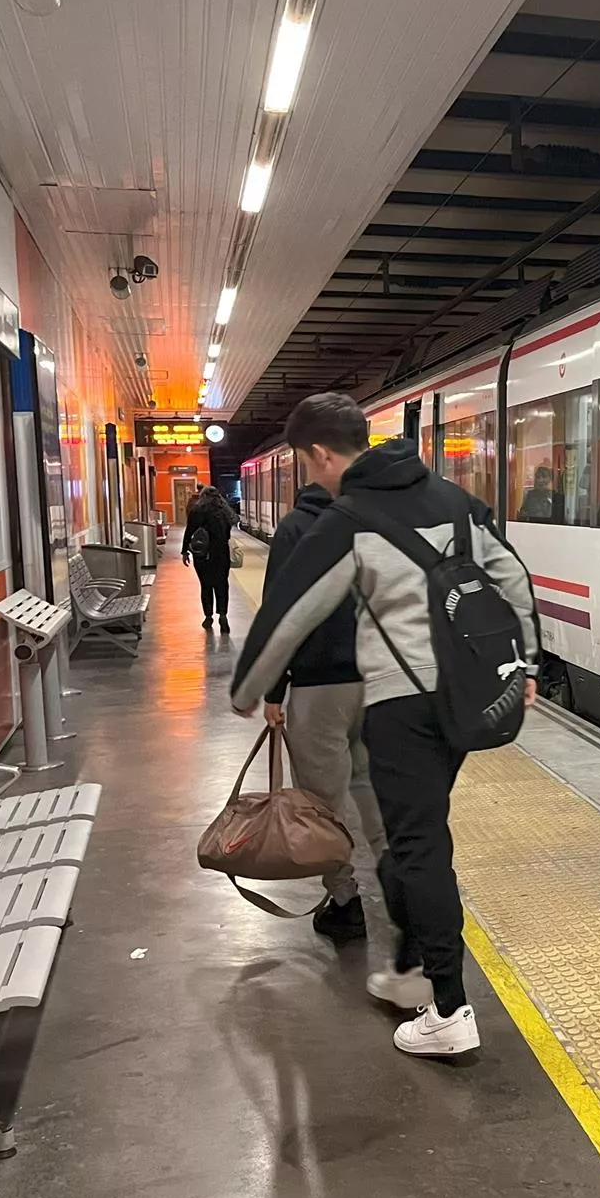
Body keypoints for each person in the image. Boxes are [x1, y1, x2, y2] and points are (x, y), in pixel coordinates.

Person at [230, 429, 541, 1058]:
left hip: (401, 706)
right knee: (411, 839)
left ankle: (449, 1008)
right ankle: (410, 972)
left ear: (324, 455)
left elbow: (290, 612)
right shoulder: (455, 500)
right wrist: (527, 666)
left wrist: (248, 691)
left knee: (418, 846)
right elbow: (512, 577)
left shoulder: (348, 520)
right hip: (465, 695)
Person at [261, 394, 389, 945]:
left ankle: (346, 904)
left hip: (321, 688)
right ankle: (403, 894)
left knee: (322, 801)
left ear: (317, 457)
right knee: (373, 791)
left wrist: (272, 691)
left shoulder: (297, 530)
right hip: (382, 683)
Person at [182, 484, 238, 632]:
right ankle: (223, 615)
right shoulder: (224, 512)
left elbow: (189, 532)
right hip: (221, 553)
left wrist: (184, 552)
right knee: (222, 584)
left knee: (206, 585)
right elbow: (227, 533)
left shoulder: (197, 510)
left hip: (202, 554)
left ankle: (208, 616)